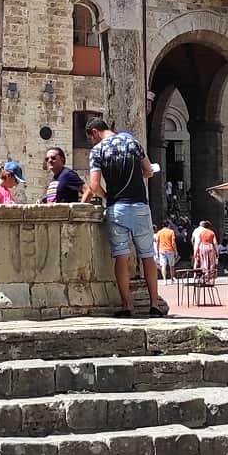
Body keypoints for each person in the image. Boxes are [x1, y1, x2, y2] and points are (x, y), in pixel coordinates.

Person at [81, 118, 168, 319]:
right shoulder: (133, 143)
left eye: (91, 138)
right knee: (147, 255)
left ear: (95, 132)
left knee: (121, 256)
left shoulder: (97, 151)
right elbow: (148, 171)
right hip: (139, 205)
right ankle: (154, 303)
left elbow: (94, 185)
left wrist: (106, 196)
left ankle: (127, 305)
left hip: (117, 208)